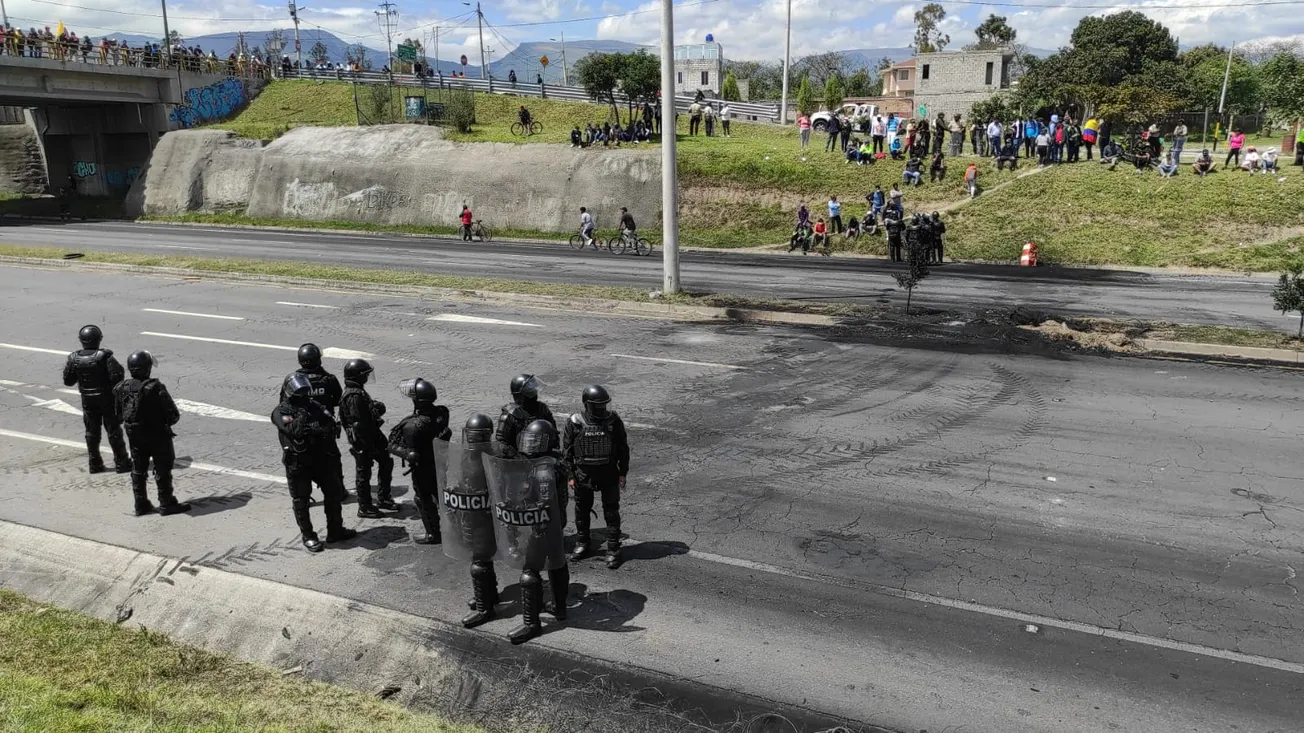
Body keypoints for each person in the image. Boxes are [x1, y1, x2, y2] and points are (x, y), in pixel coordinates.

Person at [484, 419, 569, 644]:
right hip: (554, 522)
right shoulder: (554, 462)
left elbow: (537, 499)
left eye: (535, 441)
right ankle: (559, 608)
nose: (530, 446)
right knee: (557, 562)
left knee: (529, 571)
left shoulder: (545, 468)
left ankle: (532, 624)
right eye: (528, 441)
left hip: (541, 524)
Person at [273, 375, 355, 552]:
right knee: (300, 500)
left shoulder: (315, 406)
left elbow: (331, 424)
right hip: (298, 462)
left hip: (321, 458)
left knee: (333, 493)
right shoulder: (281, 412)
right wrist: (303, 416)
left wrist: (319, 428)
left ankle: (336, 531)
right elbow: (294, 431)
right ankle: (308, 536)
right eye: (298, 393)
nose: (303, 396)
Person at [113, 350, 190, 517]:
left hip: (135, 436)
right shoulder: (155, 387)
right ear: (147, 369)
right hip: (157, 435)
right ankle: (166, 502)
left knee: (138, 469)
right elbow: (173, 415)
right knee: (162, 468)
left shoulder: (121, 388)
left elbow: (118, 415)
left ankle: (140, 504)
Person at [443, 414, 501, 628]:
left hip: (484, 517)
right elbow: (462, 481)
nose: (472, 440)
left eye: (475, 436)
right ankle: (490, 595)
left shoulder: (489, 459)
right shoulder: (469, 456)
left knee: (479, 563)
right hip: (472, 515)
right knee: (482, 559)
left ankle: (485, 609)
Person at [563, 385, 630, 568]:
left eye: (603, 405)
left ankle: (613, 548)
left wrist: (623, 472)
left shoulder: (613, 421)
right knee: (581, 510)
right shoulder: (575, 421)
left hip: (608, 472)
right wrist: (570, 474)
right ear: (587, 404)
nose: (601, 409)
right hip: (583, 474)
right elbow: (567, 450)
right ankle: (582, 543)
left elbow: (623, 448)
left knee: (611, 511)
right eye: (597, 405)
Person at [388, 378, 452, 544]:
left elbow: (392, 444)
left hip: (422, 467)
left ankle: (433, 534)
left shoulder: (411, 425)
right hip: (440, 462)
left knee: (423, 499)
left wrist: (407, 453)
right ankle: (454, 528)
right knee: (443, 496)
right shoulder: (442, 413)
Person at [63, 325, 131, 474]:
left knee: (91, 432)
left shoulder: (74, 358)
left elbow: (68, 380)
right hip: (106, 399)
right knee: (113, 431)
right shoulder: (105, 357)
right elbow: (117, 375)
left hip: (87, 400)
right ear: (99, 339)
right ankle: (121, 462)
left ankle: (94, 463)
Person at [339, 359, 396, 518]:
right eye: (364, 375)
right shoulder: (353, 395)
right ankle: (364, 506)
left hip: (372, 436)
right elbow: (359, 423)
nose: (367, 377)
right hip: (364, 440)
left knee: (386, 462)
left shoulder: (358, 392)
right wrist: (366, 446)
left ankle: (384, 498)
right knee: (363, 473)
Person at [495, 374, 556, 456]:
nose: (534, 395)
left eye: (534, 391)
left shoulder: (542, 409)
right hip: (519, 461)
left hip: (544, 457)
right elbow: (501, 442)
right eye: (530, 392)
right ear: (520, 395)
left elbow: (553, 432)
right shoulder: (510, 414)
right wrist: (515, 456)